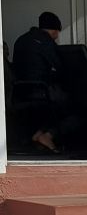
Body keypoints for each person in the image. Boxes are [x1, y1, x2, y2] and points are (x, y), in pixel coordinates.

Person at [12, 12, 64, 152]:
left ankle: (38, 133)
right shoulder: (46, 42)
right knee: (72, 102)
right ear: (54, 30)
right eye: (57, 32)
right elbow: (59, 67)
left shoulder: (21, 40)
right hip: (40, 91)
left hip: (19, 91)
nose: (57, 37)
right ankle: (47, 134)